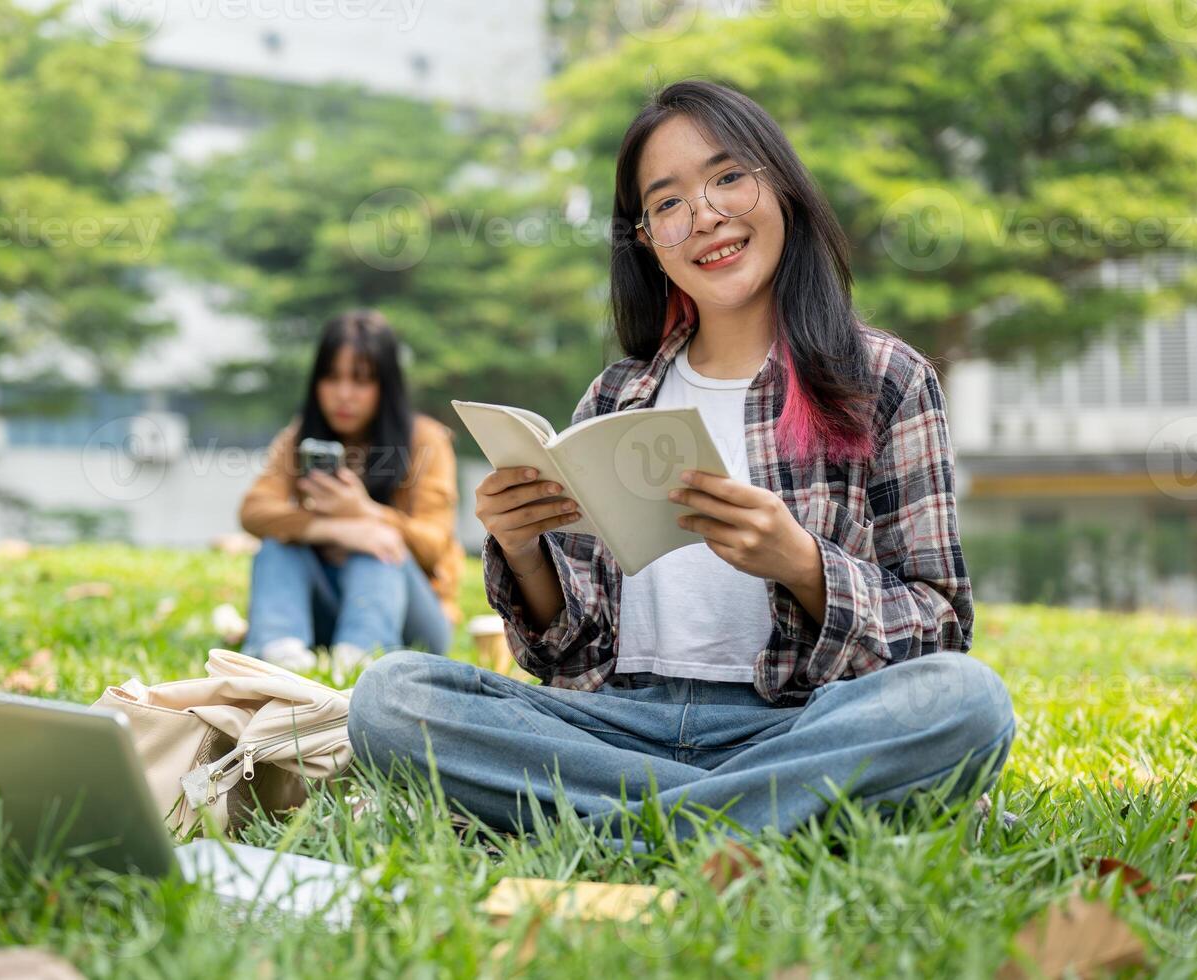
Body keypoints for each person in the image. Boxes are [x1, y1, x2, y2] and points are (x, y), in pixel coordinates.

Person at [348, 81, 1016, 845]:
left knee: (964, 702)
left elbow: (938, 632)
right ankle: (763, 822)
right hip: (616, 728)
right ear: (646, 242)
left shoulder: (885, 379)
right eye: (666, 203)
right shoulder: (615, 397)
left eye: (728, 177)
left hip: (795, 726)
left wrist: (802, 564)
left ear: (783, 189)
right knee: (391, 698)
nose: (703, 216)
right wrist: (523, 550)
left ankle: (623, 830)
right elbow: (564, 660)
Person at [238, 309, 465, 680]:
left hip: (416, 617)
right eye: (332, 378)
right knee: (278, 544)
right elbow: (253, 511)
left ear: (385, 385)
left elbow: (434, 545)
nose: (344, 395)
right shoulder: (300, 438)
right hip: (330, 611)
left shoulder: (426, 440)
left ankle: (362, 658)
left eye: (360, 381)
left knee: (378, 545)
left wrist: (367, 514)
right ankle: (278, 651)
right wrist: (333, 529)